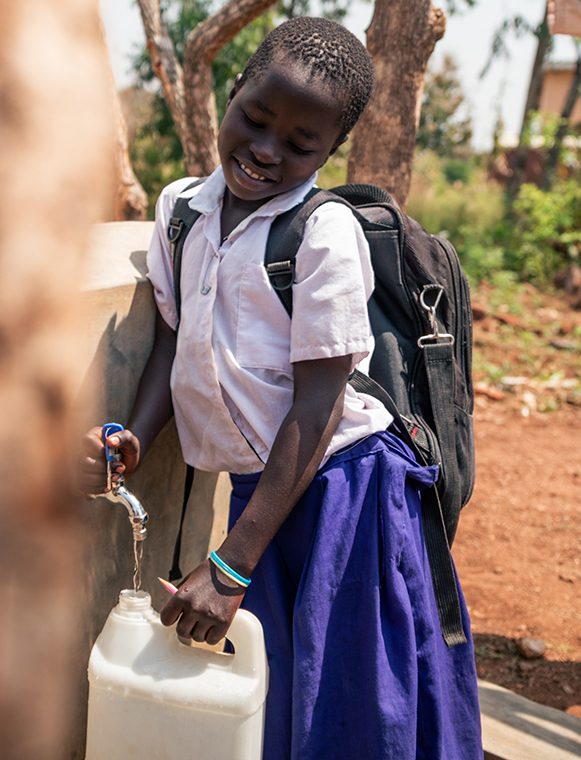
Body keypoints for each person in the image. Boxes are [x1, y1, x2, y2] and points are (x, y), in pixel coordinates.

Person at [81, 17, 483, 760]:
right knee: (274, 698)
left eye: (299, 144)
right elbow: (175, 339)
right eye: (255, 120)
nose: (265, 151)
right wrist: (135, 434)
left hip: (345, 492)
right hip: (264, 490)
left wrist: (231, 563)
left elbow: (318, 404)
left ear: (331, 150)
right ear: (232, 92)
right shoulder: (181, 213)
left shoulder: (322, 234)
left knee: (350, 702)